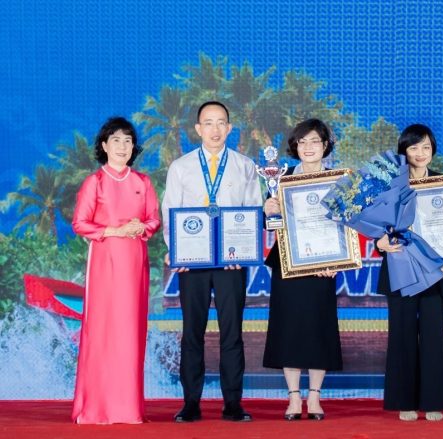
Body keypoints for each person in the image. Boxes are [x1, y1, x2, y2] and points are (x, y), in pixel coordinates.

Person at [162, 101, 261, 422]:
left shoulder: (245, 166)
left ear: (229, 128)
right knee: (192, 333)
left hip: (231, 264)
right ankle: (191, 403)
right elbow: (169, 212)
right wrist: (177, 251)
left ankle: (233, 403)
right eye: (208, 123)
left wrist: (242, 252)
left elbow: (253, 210)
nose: (215, 129)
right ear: (198, 129)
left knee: (232, 333)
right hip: (193, 263)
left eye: (221, 123)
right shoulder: (181, 167)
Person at [71, 117, 161, 424]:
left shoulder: (143, 182)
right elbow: (80, 223)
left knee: (130, 330)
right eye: (116, 140)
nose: (123, 146)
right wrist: (113, 231)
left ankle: (128, 408)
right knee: (102, 329)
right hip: (105, 261)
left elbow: (153, 220)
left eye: (128, 141)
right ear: (104, 145)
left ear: (134, 147)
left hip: (135, 263)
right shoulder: (94, 182)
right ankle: (95, 407)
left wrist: (141, 227)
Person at [375, 124, 443, 422]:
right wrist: (379, 242)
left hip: (436, 271)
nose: (420, 153)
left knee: (434, 336)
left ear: (433, 150)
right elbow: (376, 226)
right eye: (414, 147)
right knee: (401, 334)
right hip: (401, 267)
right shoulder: (390, 185)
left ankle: (433, 400)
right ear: (404, 151)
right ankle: (405, 401)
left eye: (426, 147)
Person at [262, 118, 342, 421]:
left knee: (319, 329)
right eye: (302, 141)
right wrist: (268, 209)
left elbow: (347, 225)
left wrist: (336, 260)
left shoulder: (338, 181)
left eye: (315, 141)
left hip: (323, 265)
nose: (308, 147)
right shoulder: (280, 179)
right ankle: (294, 397)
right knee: (289, 330)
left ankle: (315, 397)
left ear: (325, 145)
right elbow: (270, 223)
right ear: (295, 146)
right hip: (288, 263)